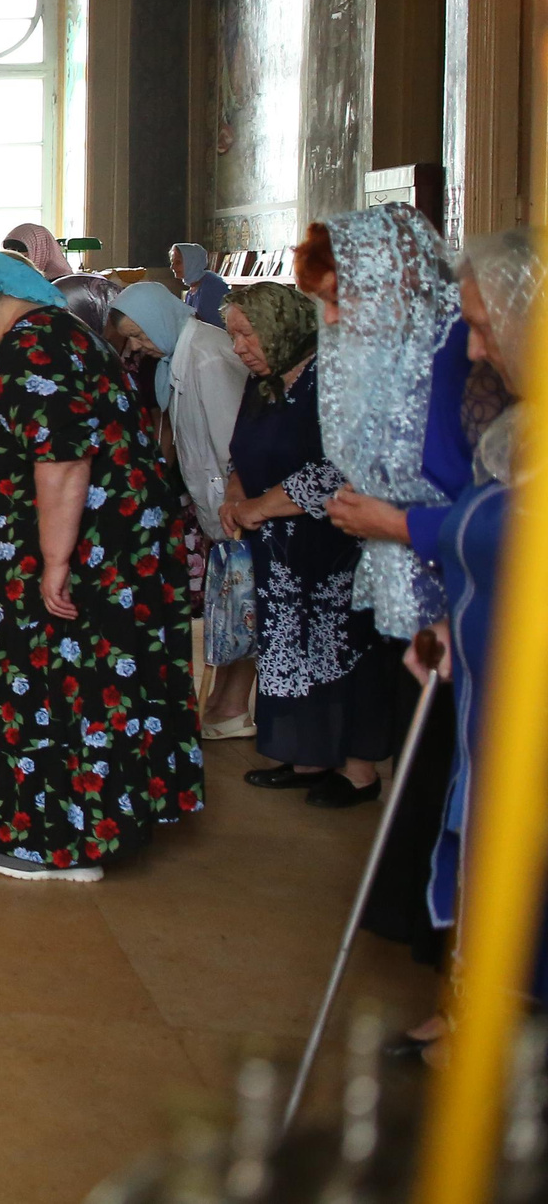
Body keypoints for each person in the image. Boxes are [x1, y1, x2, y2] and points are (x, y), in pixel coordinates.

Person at [0, 249, 203, 881]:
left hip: (78, 553)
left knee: (53, 686)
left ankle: (54, 842)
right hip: (106, 548)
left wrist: (54, 561)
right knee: (91, 689)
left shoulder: (35, 347)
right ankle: (88, 836)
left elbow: (62, 462)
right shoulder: (61, 333)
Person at [331, 229, 537, 1049]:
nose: (473, 348)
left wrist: (400, 521)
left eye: (486, 326)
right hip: (485, 657)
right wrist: (456, 617)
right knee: (485, 836)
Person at [219, 282, 390, 809]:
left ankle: (358, 771)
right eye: (234, 336)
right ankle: (308, 755)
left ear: (282, 326)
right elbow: (239, 450)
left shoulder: (334, 379)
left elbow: (335, 469)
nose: (240, 347)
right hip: (279, 549)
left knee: (338, 652)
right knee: (288, 652)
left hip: (331, 546)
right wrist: (233, 495)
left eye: (248, 334)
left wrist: (258, 507)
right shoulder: (265, 382)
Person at [107, 280, 254, 736]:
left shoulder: (207, 355)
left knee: (244, 608)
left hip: (233, 504)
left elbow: (234, 439)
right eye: (130, 338)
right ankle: (222, 703)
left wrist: (232, 501)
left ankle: (232, 708)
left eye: (139, 333)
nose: (137, 346)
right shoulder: (178, 356)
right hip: (215, 503)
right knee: (229, 607)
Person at [313, 205, 457, 643]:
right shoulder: (400, 355)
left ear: (392, 282)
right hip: (414, 594)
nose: (332, 319)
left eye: (340, 299)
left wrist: (395, 522)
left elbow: (503, 504)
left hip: (469, 597)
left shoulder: (461, 352)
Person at [173, 242, 230, 327]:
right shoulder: (191, 291)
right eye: (172, 262)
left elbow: (216, 326)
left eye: (178, 262)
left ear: (192, 262)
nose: (172, 267)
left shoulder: (213, 287)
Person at [0, 222, 74, 279]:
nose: (14, 258)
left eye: (20, 250)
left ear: (40, 250)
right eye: (9, 251)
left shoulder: (64, 284)